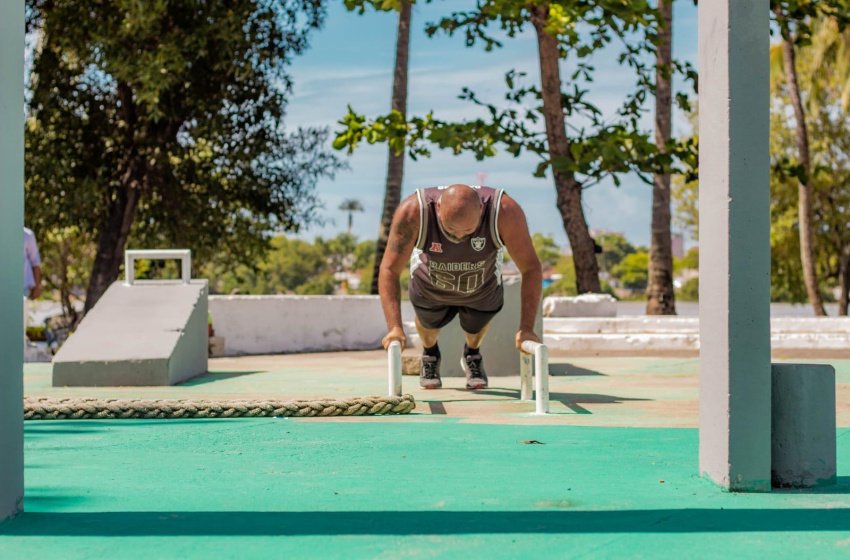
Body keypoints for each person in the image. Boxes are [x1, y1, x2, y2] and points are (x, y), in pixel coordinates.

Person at [378, 184, 542, 390]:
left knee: (476, 325)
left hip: (481, 287)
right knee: (428, 324)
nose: (458, 235)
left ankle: (472, 354)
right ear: (437, 208)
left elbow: (531, 268)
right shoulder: (414, 211)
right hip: (430, 286)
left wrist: (526, 328)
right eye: (450, 228)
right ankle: (430, 354)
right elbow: (389, 269)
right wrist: (395, 327)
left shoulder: (505, 211)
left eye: (468, 230)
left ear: (481, 210)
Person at [23, 227, 42, 353]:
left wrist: (37, 286)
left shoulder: (28, 235)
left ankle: (21, 354)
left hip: (23, 287)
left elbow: (35, 262)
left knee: (21, 324)